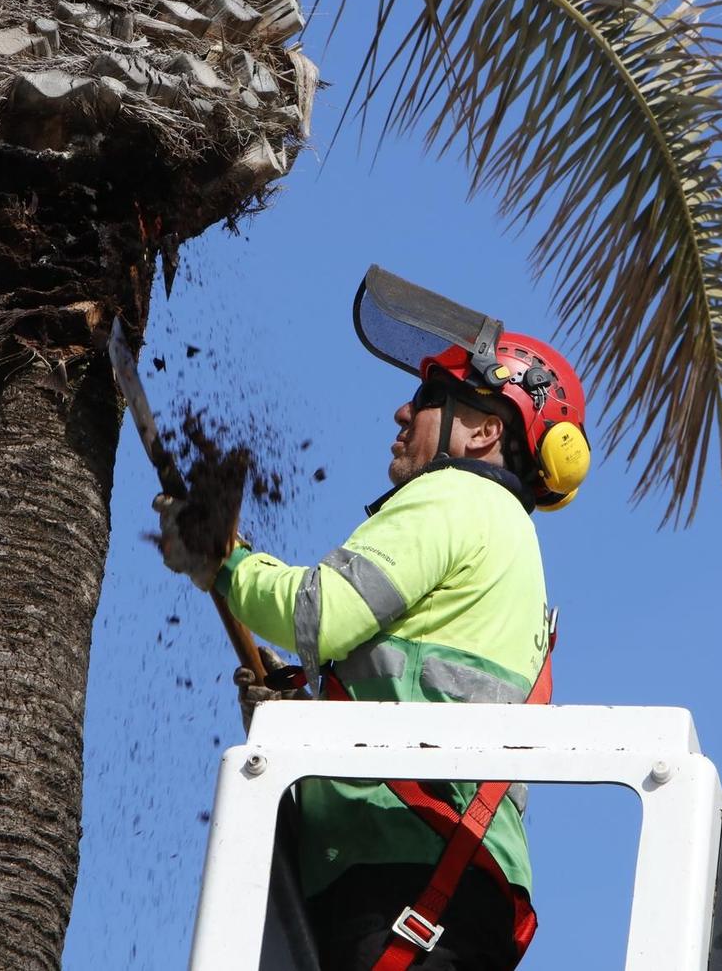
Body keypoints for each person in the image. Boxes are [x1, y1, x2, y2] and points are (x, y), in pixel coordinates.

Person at [155, 271, 592, 971]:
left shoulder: (456, 498)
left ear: (483, 431)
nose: (401, 411)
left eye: (427, 399)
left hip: (407, 875)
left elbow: (319, 611)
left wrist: (227, 563)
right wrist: (304, 716)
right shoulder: (506, 539)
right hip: (443, 883)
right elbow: (412, 686)